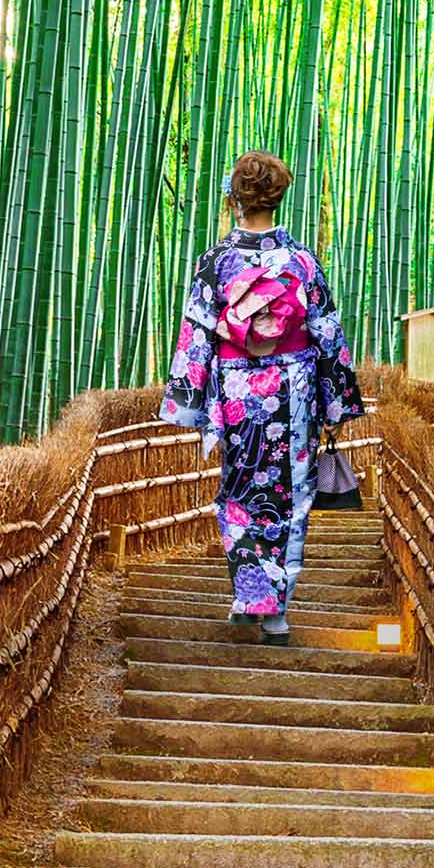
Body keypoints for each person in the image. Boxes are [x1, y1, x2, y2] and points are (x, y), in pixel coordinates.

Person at [159, 151, 364, 645]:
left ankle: (248, 596)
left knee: (238, 491)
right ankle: (276, 613)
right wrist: (336, 404)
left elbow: (198, 334)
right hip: (292, 391)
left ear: (234, 201)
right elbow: (327, 334)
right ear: (278, 199)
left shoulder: (215, 261)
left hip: (236, 391)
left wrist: (189, 402)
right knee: (291, 497)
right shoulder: (301, 262)